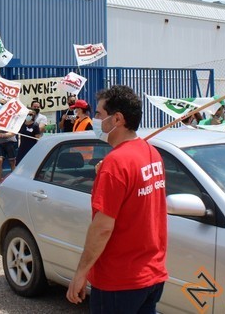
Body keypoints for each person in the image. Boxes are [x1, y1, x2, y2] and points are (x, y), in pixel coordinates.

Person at [67, 85, 168, 313]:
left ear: (117, 119)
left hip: (119, 281)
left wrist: (81, 273)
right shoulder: (151, 153)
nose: (95, 120)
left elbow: (102, 227)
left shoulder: (116, 163)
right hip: (151, 275)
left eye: (100, 114)